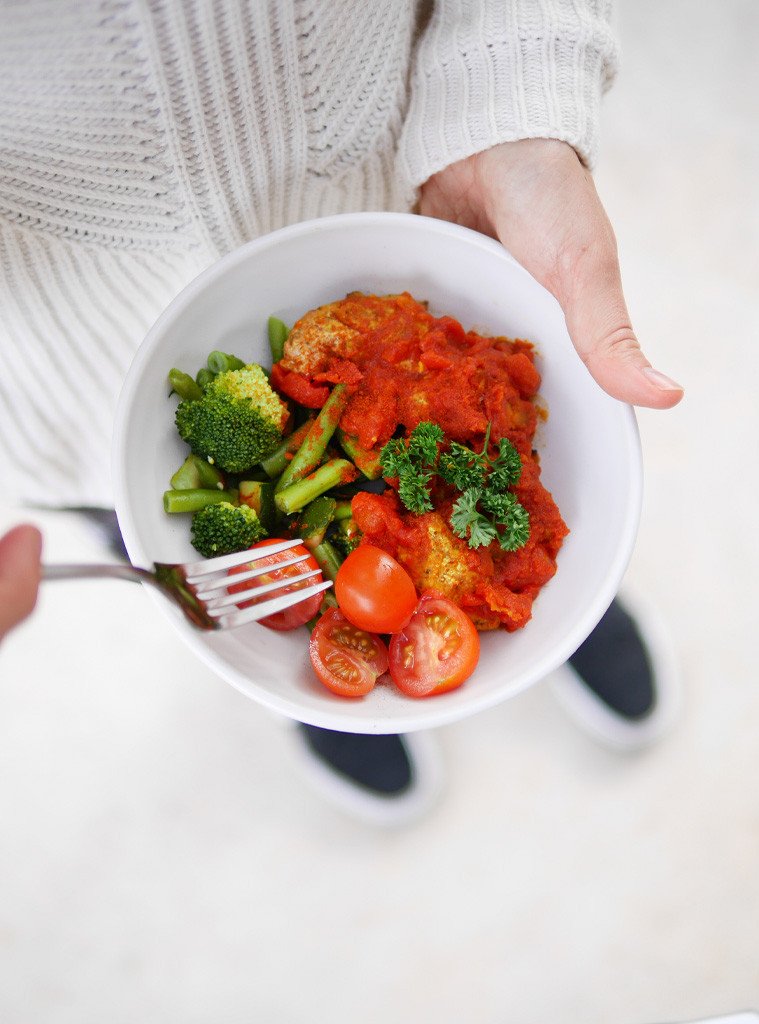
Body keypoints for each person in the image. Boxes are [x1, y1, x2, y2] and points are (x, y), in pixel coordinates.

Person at [0, 0, 683, 823]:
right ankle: (318, 690)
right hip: (61, 375)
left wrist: (515, 99)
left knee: (536, 529)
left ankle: (581, 619)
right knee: (195, 583)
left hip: (418, 195)